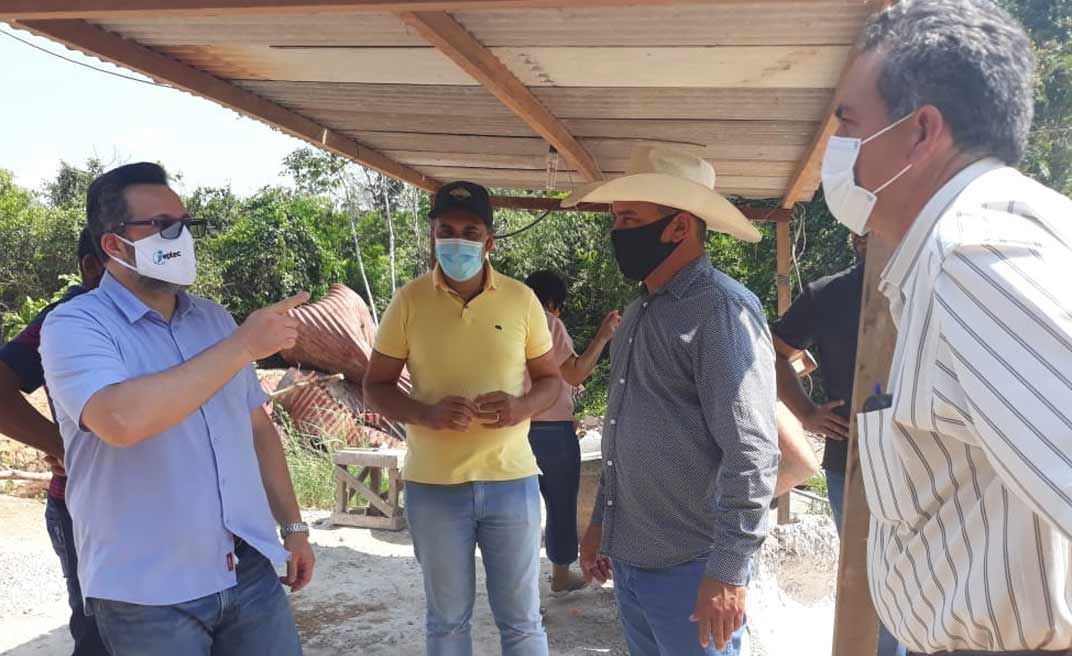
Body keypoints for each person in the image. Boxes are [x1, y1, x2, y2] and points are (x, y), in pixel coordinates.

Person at [825, 1, 1072, 654]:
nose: (838, 149)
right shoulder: (992, 238)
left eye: (848, 123)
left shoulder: (972, 256)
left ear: (920, 132)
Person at [39, 163, 315, 656]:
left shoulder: (213, 319)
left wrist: (293, 528)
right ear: (114, 246)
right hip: (146, 589)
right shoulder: (74, 326)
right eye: (163, 225)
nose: (180, 236)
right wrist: (242, 346)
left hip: (245, 567)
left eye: (184, 224)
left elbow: (258, 429)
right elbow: (120, 421)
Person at [565, 145, 782, 656]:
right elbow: (624, 433)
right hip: (636, 561)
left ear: (680, 228)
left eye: (631, 218)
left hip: (692, 564)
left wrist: (728, 573)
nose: (618, 231)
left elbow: (752, 454)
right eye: (616, 218)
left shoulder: (721, 310)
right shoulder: (641, 312)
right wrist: (601, 525)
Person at [363, 181, 560, 656]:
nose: (457, 240)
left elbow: (552, 381)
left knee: (522, 621)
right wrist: (426, 414)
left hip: (512, 482)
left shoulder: (521, 301)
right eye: (445, 229)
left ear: (488, 241)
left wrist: (520, 407)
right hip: (434, 488)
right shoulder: (408, 301)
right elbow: (376, 385)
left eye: (469, 230)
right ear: (431, 234)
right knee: (447, 622)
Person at [771, 234, 907, 656]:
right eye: (865, 228)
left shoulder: (925, 284)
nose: (874, 236)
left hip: (923, 459)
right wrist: (808, 412)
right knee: (866, 576)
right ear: (853, 237)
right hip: (851, 460)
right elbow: (772, 351)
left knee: (916, 571)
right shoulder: (827, 294)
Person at [0, 227, 107, 656]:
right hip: (84, 506)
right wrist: (62, 445)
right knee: (100, 631)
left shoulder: (174, 315)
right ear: (90, 267)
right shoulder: (65, 319)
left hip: (162, 507)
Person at [523, 269, 621, 594]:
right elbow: (575, 373)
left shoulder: (505, 321)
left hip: (511, 429)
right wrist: (604, 336)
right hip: (551, 433)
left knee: (515, 509)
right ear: (554, 303)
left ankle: (518, 588)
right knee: (560, 506)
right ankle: (561, 575)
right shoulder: (549, 323)